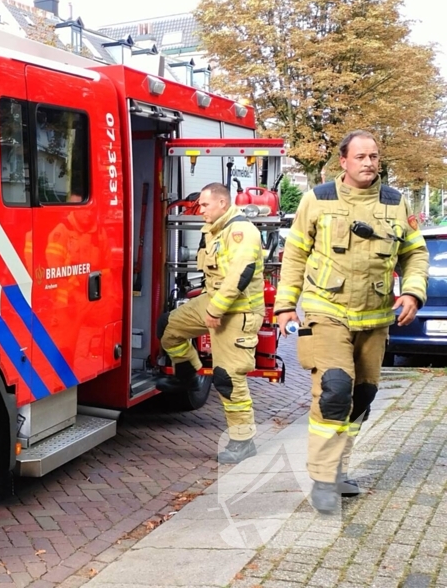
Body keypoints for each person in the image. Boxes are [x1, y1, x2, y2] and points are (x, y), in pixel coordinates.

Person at [275, 130, 428, 514]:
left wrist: (412, 292)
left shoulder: (395, 203)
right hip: (327, 312)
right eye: (360, 156)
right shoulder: (317, 199)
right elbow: (293, 255)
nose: (369, 163)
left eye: (374, 156)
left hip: (375, 318)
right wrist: (284, 306)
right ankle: (323, 479)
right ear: (343, 161)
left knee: (362, 396)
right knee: (335, 388)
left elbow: (415, 253)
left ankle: (340, 469)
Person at [156, 182, 265, 464]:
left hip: (238, 313)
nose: (199, 210)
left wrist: (215, 311)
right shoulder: (215, 228)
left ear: (222, 203)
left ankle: (243, 441)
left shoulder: (242, 232)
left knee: (228, 378)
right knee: (168, 327)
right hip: (214, 301)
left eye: (204, 205)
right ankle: (188, 375)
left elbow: (239, 276)